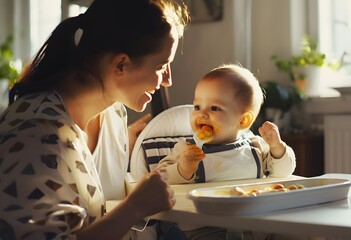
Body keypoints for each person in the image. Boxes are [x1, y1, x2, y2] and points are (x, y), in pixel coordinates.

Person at [0, 0, 189, 239]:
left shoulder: (114, 114)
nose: (167, 80)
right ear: (121, 64)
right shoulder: (35, 134)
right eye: (162, 66)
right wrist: (135, 207)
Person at [157, 64, 296, 240]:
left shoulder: (256, 147)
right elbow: (159, 180)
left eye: (214, 108)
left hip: (254, 225)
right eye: (198, 106)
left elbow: (283, 173)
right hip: (202, 228)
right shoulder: (187, 150)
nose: (202, 114)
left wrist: (277, 147)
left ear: (243, 120)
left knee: (294, 234)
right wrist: (182, 169)